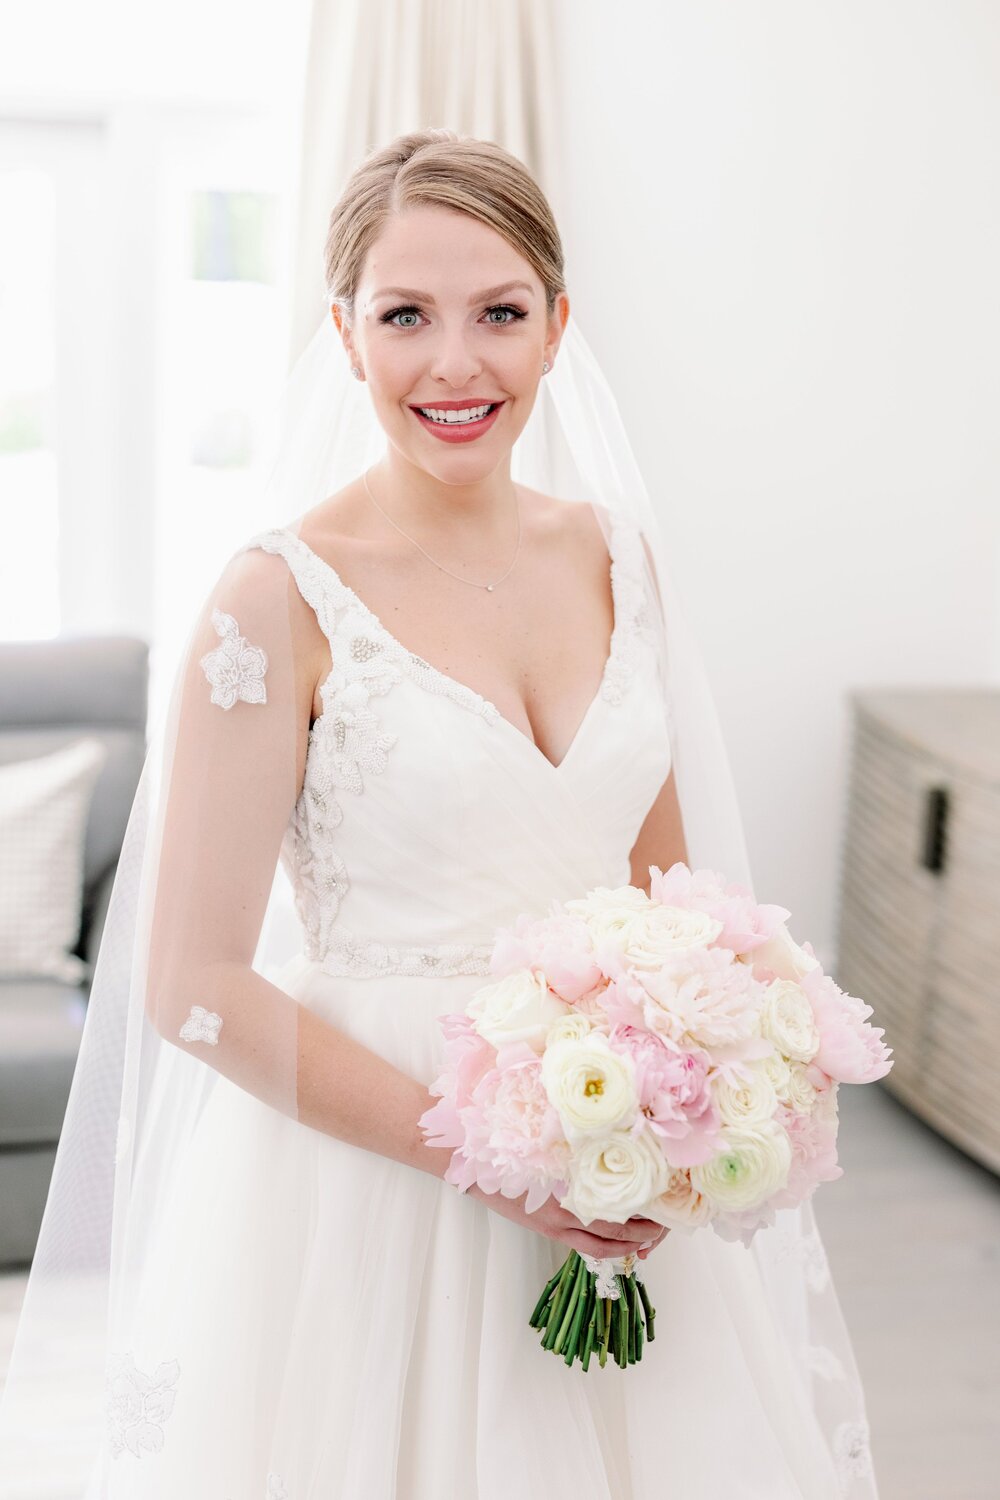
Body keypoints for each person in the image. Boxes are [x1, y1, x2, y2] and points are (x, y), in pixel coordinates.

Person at [0, 130, 879, 1499]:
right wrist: (488, 1158)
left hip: (610, 1172)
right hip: (368, 1195)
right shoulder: (274, 600)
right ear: (343, 335)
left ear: (557, 328)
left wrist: (697, 1082)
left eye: (500, 314)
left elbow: (676, 911)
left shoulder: (618, 558)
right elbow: (191, 985)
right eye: (405, 315)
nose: (455, 364)